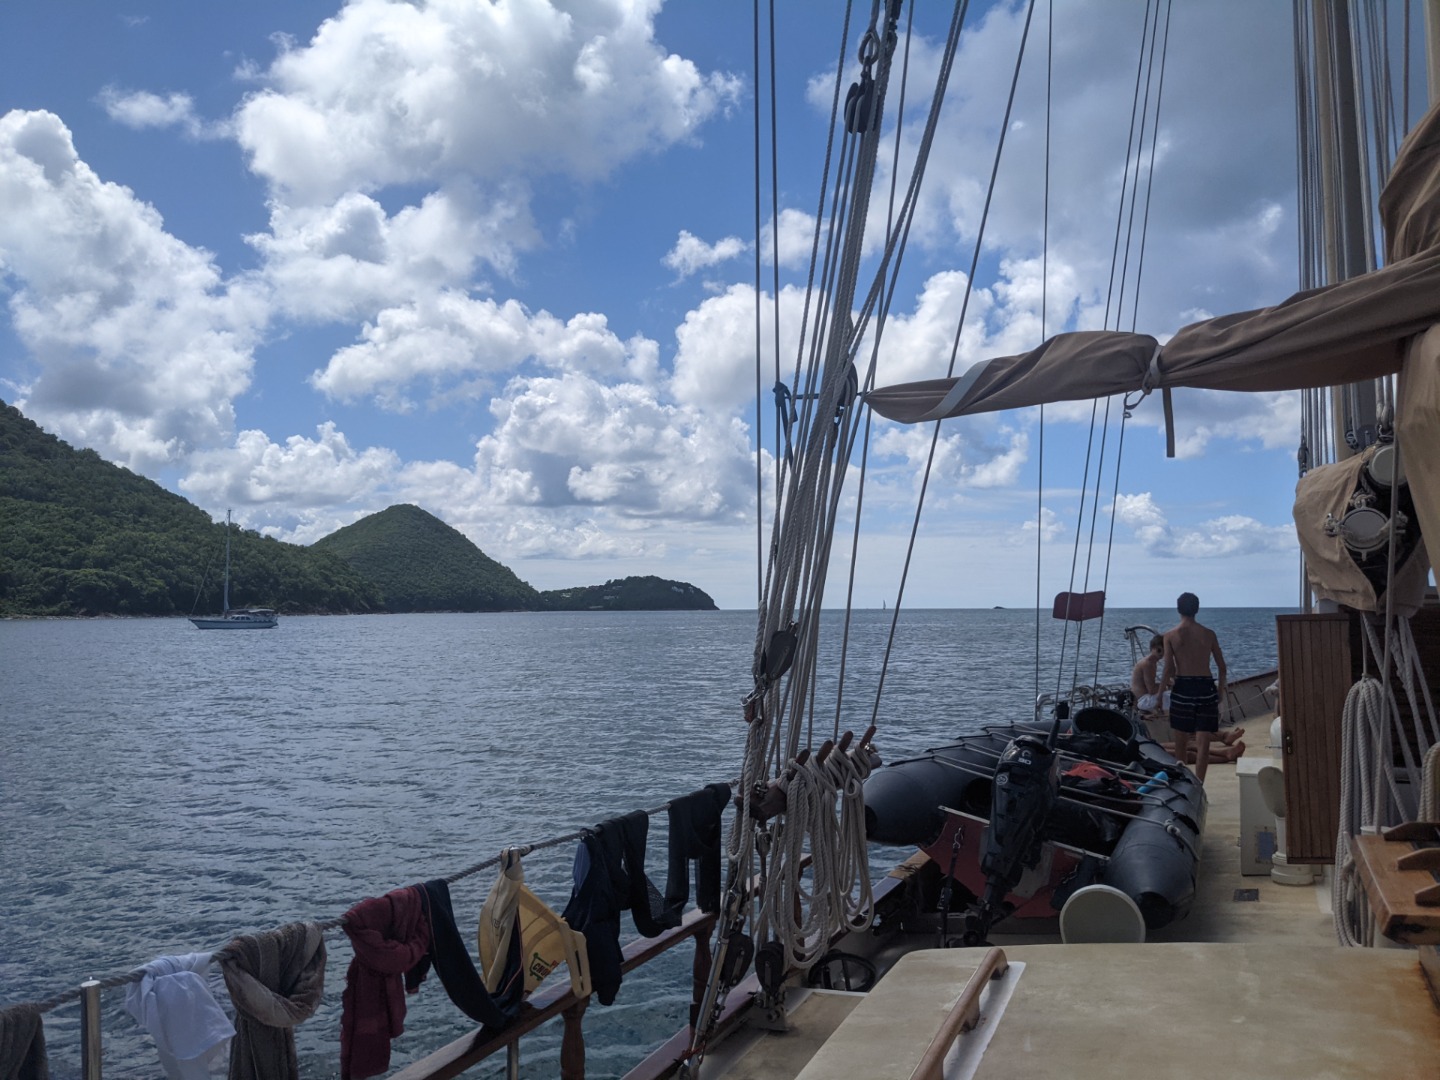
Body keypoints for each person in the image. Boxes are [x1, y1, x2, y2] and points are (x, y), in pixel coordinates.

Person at [1132, 632, 1244, 764]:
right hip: (1146, 700)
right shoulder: (1148, 663)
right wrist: (1168, 685)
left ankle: (1221, 737)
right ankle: (1220, 738)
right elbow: (1151, 689)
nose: (1162, 655)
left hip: (1149, 698)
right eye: (1161, 651)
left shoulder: (1151, 663)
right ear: (1154, 648)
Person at [1160, 591, 1228, 782]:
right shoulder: (1209, 634)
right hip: (1205, 686)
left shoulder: (1170, 636)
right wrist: (1220, 692)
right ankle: (1200, 783)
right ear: (1197, 609)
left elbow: (1168, 668)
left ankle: (1184, 783)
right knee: (1203, 741)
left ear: (1178, 609)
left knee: (1180, 741)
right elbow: (1222, 667)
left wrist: (1159, 695)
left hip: (1183, 687)